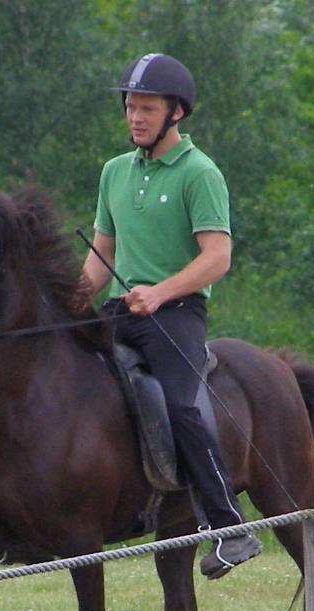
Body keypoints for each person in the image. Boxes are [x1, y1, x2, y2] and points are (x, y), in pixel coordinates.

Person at [82, 53, 262, 579]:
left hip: (175, 311)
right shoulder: (114, 172)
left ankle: (231, 527)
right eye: (130, 107)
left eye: (146, 108)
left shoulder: (199, 173)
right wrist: (68, 304)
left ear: (176, 112)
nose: (135, 117)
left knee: (182, 405)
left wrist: (159, 293)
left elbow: (216, 258)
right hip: (120, 308)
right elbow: (101, 258)